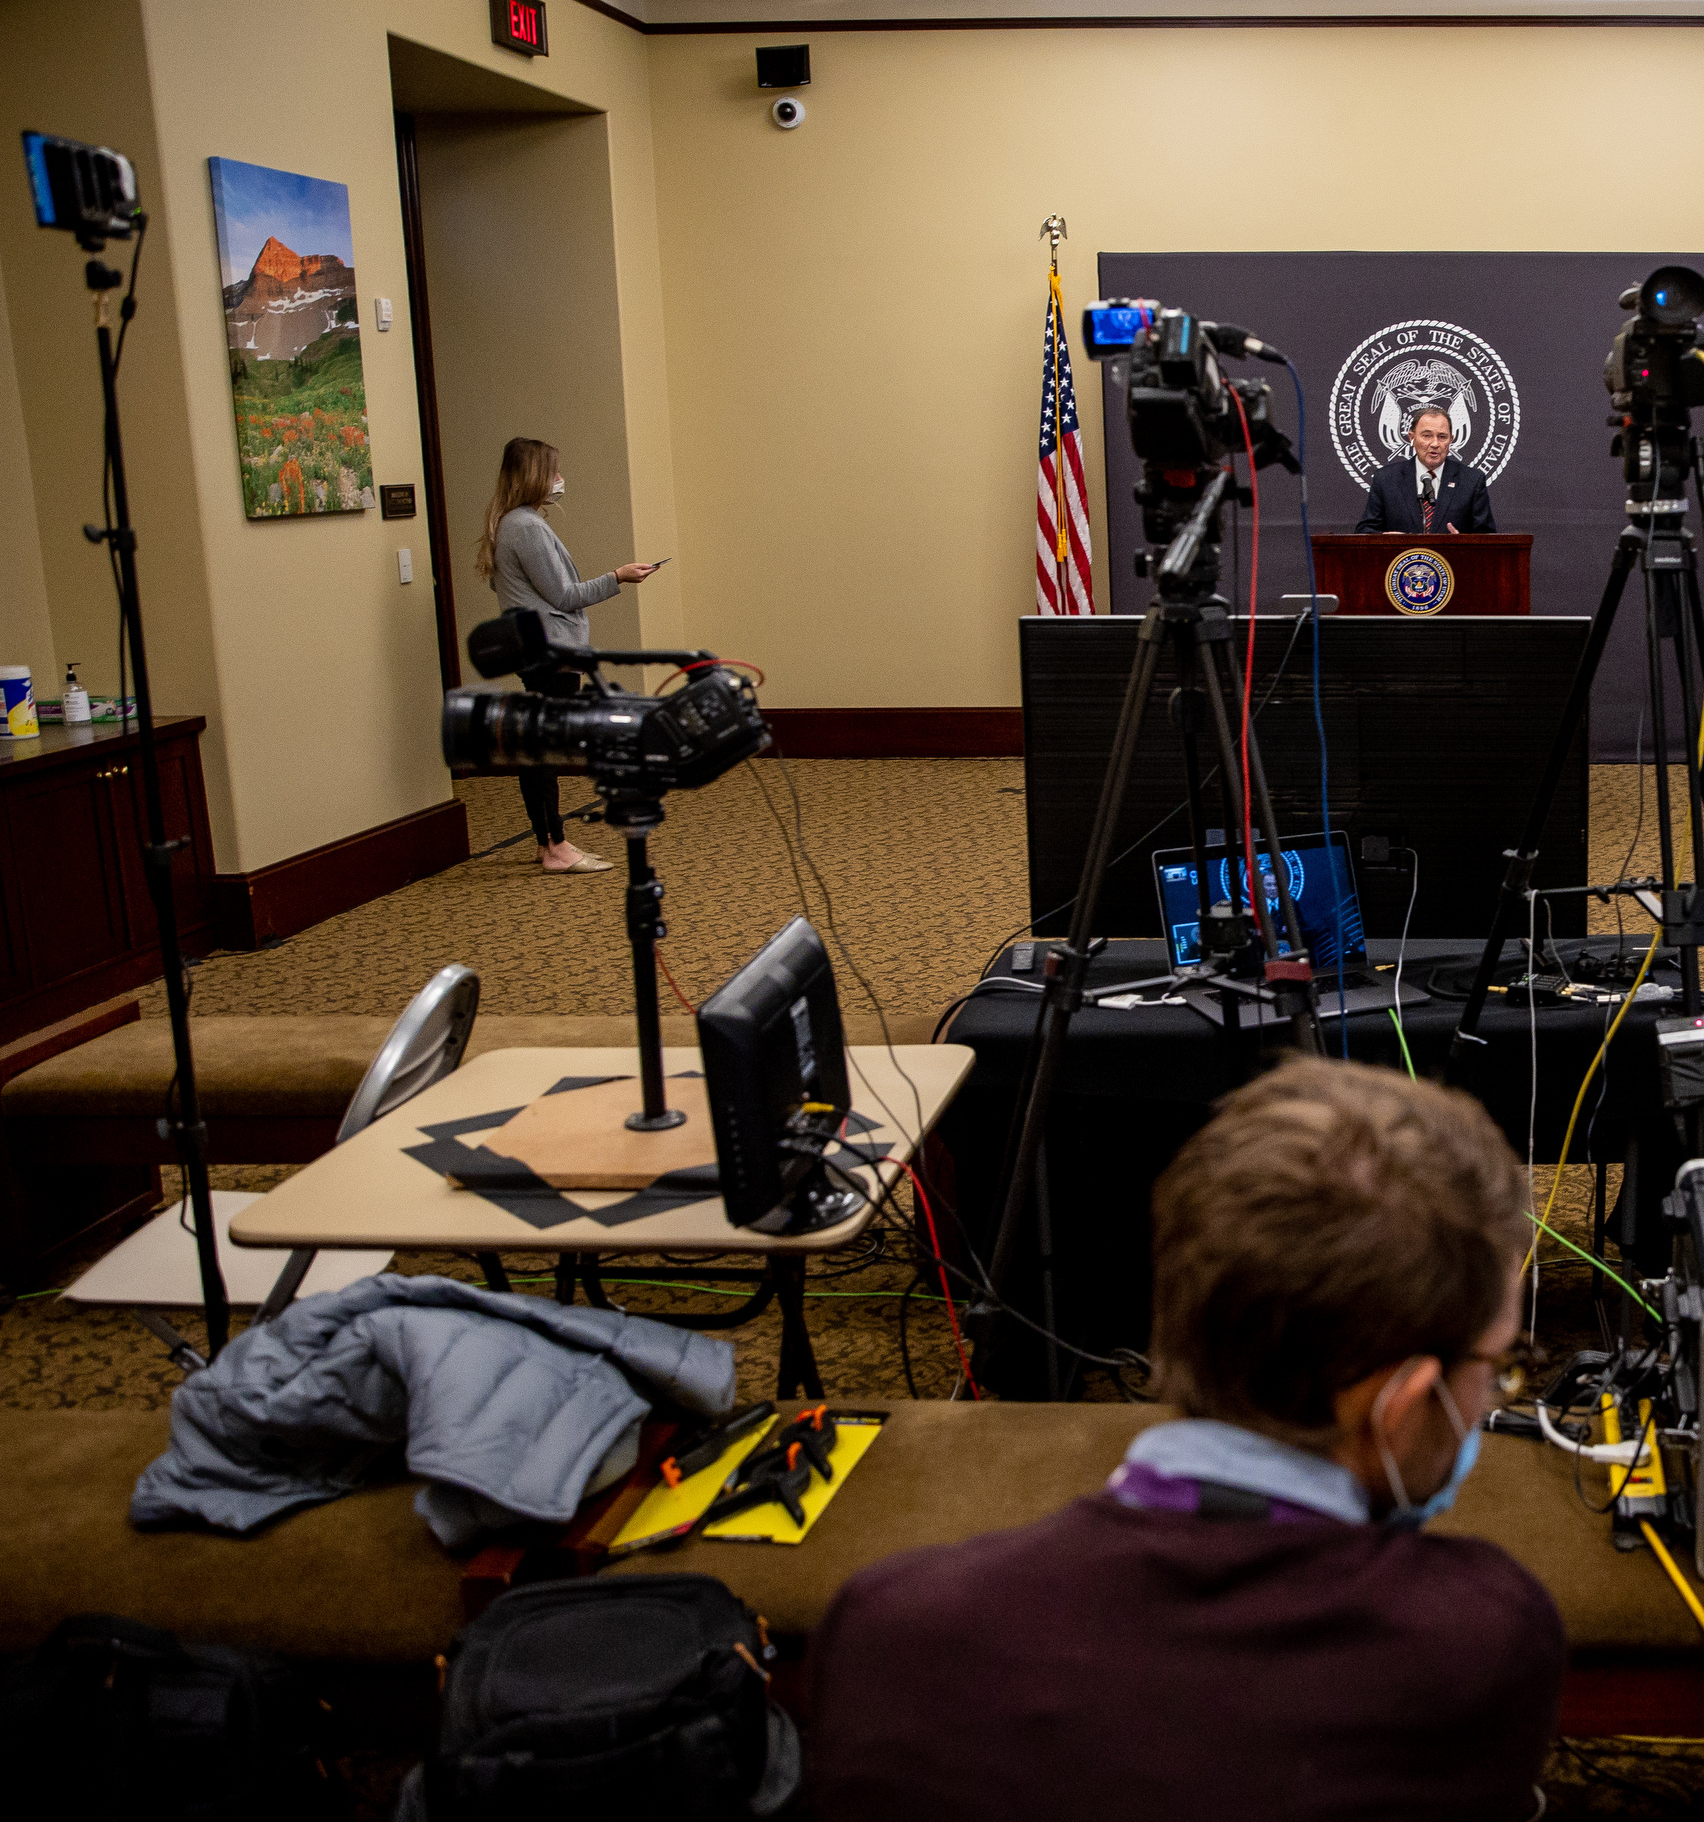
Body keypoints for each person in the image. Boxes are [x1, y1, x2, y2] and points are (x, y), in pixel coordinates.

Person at [803, 1058, 1564, 1821]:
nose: (1495, 1392)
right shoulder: (1478, 1638)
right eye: (1497, 1365)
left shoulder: (884, 1627)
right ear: (1398, 1408)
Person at [475, 437, 654, 875]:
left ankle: (549, 842)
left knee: (541, 747)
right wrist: (618, 577)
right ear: (535, 474)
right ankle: (554, 846)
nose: (559, 480)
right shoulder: (527, 527)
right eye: (553, 471)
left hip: (543, 649)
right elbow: (564, 595)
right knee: (543, 752)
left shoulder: (517, 523)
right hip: (549, 652)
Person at [1353, 405, 1496, 534]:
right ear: (1412, 438)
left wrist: (1463, 543)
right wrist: (1386, 539)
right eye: (1426, 436)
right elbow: (1364, 531)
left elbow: (1488, 538)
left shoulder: (1471, 481)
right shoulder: (1386, 479)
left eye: (1442, 437)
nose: (1435, 444)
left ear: (1451, 440)